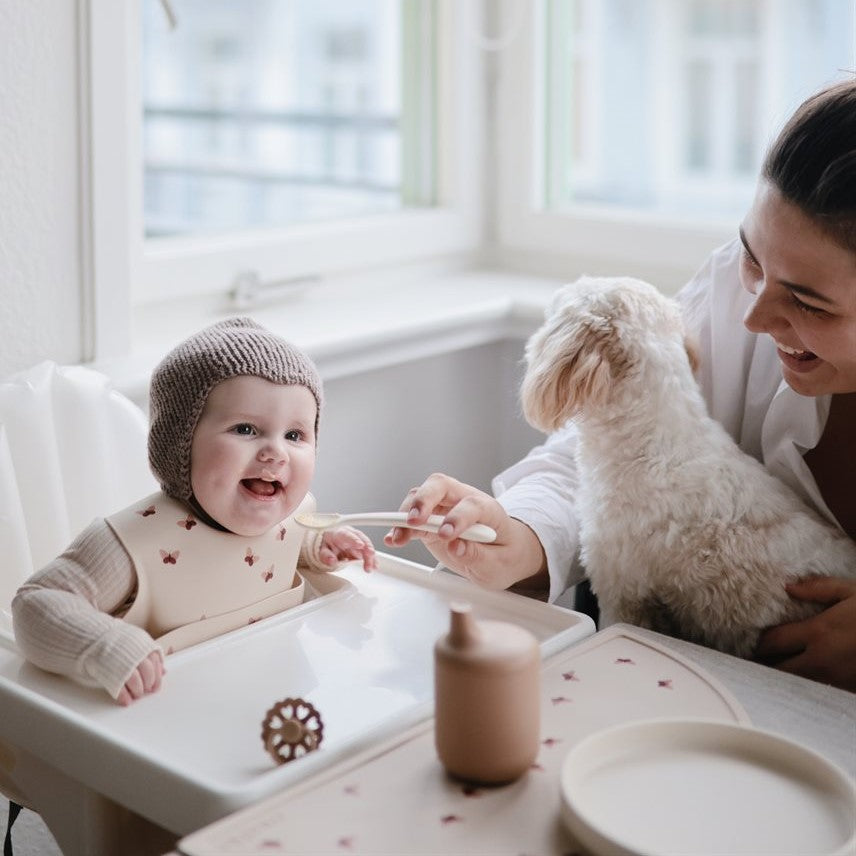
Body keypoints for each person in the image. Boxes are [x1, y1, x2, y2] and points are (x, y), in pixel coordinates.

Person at [385, 78, 856, 693]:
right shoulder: (734, 285)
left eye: (808, 305)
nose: (754, 318)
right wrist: (518, 536)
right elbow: (614, 452)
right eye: (752, 258)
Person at [12, 318, 377, 705]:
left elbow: (284, 547)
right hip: (166, 722)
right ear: (180, 445)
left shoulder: (294, 515)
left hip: (271, 701)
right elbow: (36, 604)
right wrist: (102, 645)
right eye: (245, 429)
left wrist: (321, 546)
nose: (276, 452)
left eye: (294, 435)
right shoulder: (134, 544)